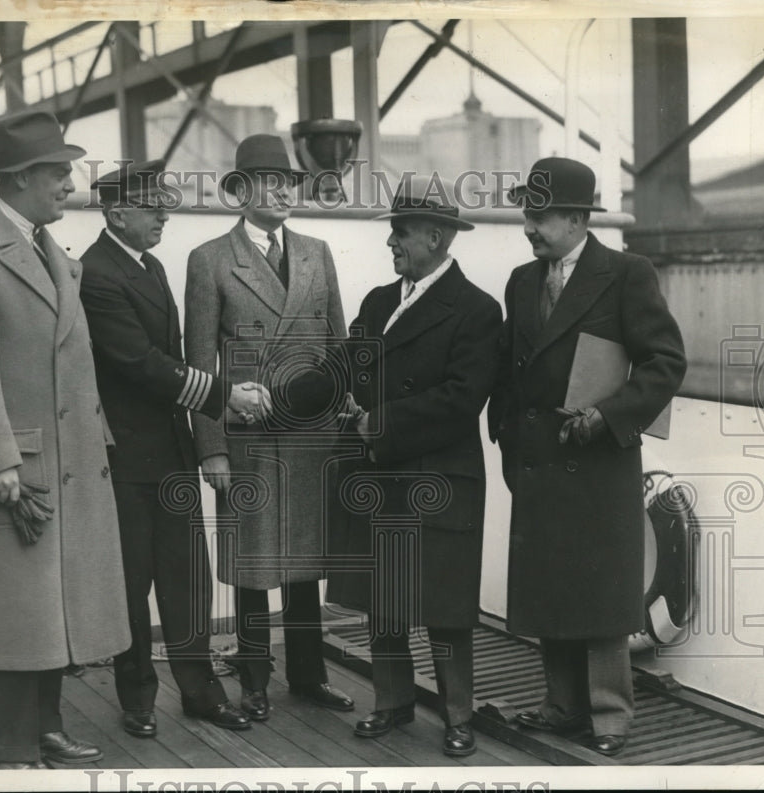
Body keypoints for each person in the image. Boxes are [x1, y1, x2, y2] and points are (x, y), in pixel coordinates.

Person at [0, 110, 131, 769]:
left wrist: (98, 440)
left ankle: (47, 727)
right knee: (21, 616)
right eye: (59, 171)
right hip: (18, 473)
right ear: (19, 178)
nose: (70, 182)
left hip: (70, 466)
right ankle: (12, 750)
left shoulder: (52, 255)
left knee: (54, 612)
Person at [488, 157, 686, 756]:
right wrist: (504, 434)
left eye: (539, 215)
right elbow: (509, 369)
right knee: (551, 585)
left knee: (600, 595)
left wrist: (608, 416)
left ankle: (610, 719)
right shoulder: (522, 281)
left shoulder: (627, 273)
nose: (528, 225)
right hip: (538, 461)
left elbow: (665, 363)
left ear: (576, 218)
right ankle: (562, 706)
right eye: (527, 212)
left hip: (598, 460)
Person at [78, 160, 268, 736]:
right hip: (127, 459)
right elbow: (140, 364)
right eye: (152, 205)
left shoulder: (148, 265)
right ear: (117, 213)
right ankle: (137, 697)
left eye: (164, 201)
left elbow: (170, 357)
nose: (165, 212)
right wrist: (223, 396)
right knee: (133, 585)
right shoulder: (95, 273)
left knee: (188, 580)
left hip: (171, 452)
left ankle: (200, 692)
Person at [326, 176, 502, 757]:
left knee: (446, 608)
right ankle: (393, 703)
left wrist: (375, 423)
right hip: (382, 474)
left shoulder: (477, 310)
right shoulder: (379, 301)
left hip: (437, 478)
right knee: (387, 597)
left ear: (436, 236)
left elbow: (460, 399)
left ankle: (458, 716)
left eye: (400, 233)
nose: (391, 243)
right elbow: (350, 368)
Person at [184, 134, 354, 721]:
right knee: (254, 565)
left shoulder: (317, 251)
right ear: (240, 190)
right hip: (248, 439)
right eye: (269, 180)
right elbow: (200, 365)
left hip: (312, 436)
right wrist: (211, 450)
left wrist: (347, 421)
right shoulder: (209, 260)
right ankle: (255, 678)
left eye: (289, 182)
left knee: (308, 563)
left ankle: (309, 674)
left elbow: (340, 347)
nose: (283, 190)